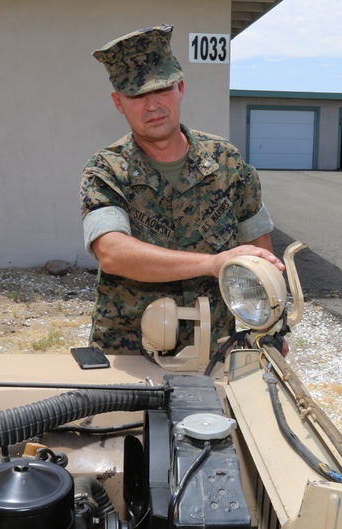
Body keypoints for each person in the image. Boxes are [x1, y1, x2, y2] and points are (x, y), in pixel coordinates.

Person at [81, 24, 284, 354]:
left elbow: (260, 250)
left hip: (213, 347)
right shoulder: (106, 169)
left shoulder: (226, 161)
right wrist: (213, 263)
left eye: (161, 89)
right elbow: (112, 253)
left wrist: (270, 327)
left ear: (181, 87)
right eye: (137, 95)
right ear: (118, 102)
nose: (153, 105)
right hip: (129, 351)